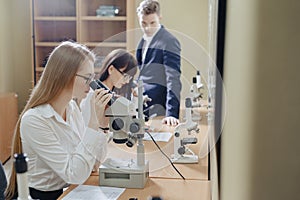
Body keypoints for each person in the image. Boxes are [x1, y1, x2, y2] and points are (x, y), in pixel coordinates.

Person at [5, 41, 112, 200]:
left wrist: (102, 126)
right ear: (65, 76)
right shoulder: (34, 120)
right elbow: (74, 174)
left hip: (69, 190)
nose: (91, 85)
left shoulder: (72, 108)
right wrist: (93, 123)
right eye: (87, 78)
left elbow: (93, 164)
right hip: (42, 196)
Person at [136, 0, 182, 126]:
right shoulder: (143, 40)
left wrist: (171, 113)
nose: (148, 28)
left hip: (158, 106)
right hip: (140, 103)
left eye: (152, 23)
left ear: (160, 17)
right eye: (143, 23)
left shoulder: (169, 41)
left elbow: (173, 78)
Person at [80, 49, 137, 130]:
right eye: (125, 76)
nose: (127, 81)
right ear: (111, 69)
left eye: (129, 78)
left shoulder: (113, 95)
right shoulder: (92, 96)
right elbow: (86, 132)